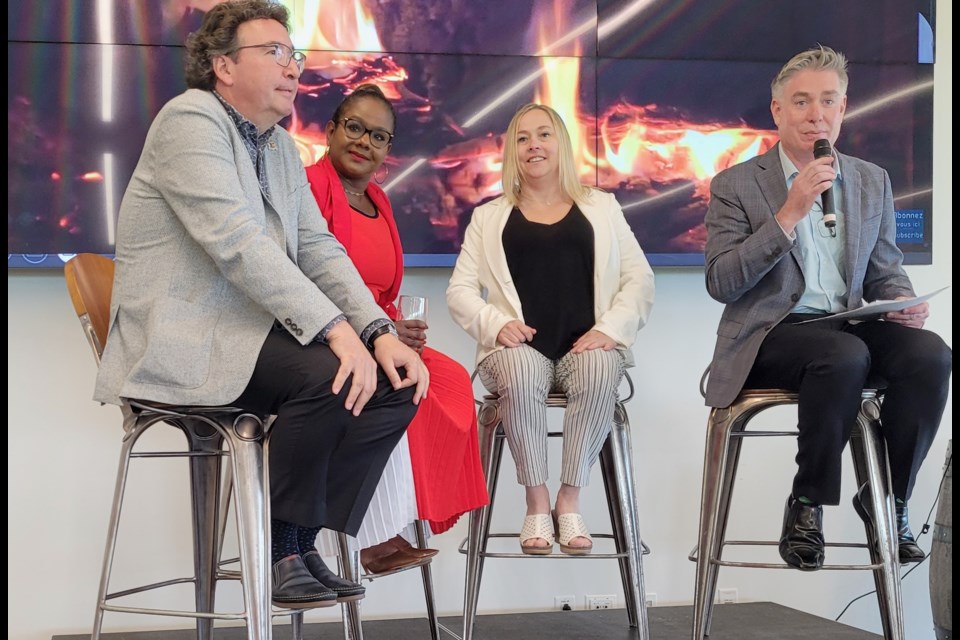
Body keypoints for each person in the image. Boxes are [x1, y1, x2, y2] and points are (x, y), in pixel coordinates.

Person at [93, 0, 429, 609]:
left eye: (293, 54)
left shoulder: (277, 147)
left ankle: (302, 542)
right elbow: (239, 245)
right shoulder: (189, 120)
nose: (291, 66)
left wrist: (378, 331)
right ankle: (280, 551)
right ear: (223, 66)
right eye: (272, 52)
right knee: (330, 372)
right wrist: (335, 329)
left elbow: (318, 248)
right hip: (183, 338)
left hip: (246, 335)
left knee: (396, 382)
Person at [703, 45, 951, 571]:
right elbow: (722, 282)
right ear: (777, 110)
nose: (816, 114)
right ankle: (807, 505)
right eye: (801, 102)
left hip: (849, 327)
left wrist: (900, 304)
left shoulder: (868, 179)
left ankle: (888, 497)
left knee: (929, 354)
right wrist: (787, 216)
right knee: (841, 356)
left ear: (843, 108)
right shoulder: (736, 184)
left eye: (828, 101)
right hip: (772, 334)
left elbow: (885, 270)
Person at [446, 103, 655, 555]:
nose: (533, 145)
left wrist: (612, 329)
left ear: (561, 143)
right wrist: (495, 324)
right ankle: (536, 500)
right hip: (518, 353)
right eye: (522, 138)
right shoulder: (488, 217)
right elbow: (460, 291)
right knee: (520, 373)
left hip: (585, 349)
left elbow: (639, 279)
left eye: (543, 135)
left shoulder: (602, 207)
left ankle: (569, 499)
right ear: (511, 151)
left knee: (601, 368)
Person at [304, 84, 489, 574]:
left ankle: (409, 515)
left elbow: (381, 290)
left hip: (374, 329)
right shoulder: (305, 187)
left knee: (448, 380)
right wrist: (374, 331)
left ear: (388, 151)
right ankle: (370, 536)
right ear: (330, 130)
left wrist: (394, 327)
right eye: (355, 127)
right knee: (400, 383)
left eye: (379, 136)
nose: (365, 142)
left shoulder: (380, 201)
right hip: (324, 333)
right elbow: (302, 276)